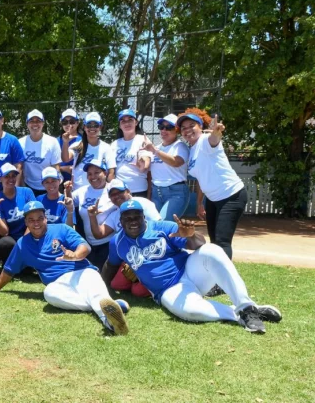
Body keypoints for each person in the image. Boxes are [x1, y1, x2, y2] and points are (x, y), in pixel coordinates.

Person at [107, 200, 282, 333]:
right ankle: (243, 314)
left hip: (191, 271)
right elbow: (111, 265)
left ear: (143, 216)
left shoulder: (162, 227)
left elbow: (199, 244)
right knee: (190, 312)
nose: (133, 221)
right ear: (121, 221)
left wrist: (191, 235)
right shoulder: (117, 242)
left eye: (136, 216)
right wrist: (104, 291)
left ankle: (245, 306)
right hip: (168, 290)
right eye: (127, 218)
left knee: (211, 250)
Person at [0, 201, 130, 336]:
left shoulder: (61, 229)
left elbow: (85, 247)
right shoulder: (22, 244)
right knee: (49, 294)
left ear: (45, 218)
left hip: (82, 272)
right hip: (57, 283)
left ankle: (110, 323)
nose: (36, 223)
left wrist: (75, 255)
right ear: (25, 222)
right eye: (31, 220)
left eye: (39, 218)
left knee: (93, 289)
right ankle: (111, 306)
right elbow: (8, 270)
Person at [179, 109, 247, 260]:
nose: (187, 130)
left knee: (222, 241)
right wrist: (199, 203)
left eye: (192, 125)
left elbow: (214, 139)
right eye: (183, 128)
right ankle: (214, 276)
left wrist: (216, 132)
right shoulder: (192, 150)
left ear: (201, 127)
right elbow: (200, 179)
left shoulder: (204, 141)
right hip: (212, 199)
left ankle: (223, 281)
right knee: (214, 241)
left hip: (231, 195)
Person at [142, 114, 190, 221]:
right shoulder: (157, 148)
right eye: (161, 127)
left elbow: (176, 162)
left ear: (177, 130)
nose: (164, 130)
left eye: (169, 127)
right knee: (151, 225)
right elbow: (150, 174)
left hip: (175, 192)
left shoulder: (180, 146)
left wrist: (154, 151)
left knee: (162, 224)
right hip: (156, 192)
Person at [70, 160, 117, 268]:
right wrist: (67, 190)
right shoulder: (82, 191)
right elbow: (68, 200)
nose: (93, 176)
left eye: (97, 172)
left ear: (105, 173)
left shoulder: (113, 190)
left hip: (108, 244)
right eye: (89, 174)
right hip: (89, 244)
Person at [61, 112, 116, 191]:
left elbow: (111, 173)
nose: (92, 128)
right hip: (78, 190)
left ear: (100, 127)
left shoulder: (106, 148)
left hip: (98, 191)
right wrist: (65, 142)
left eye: (95, 125)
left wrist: (108, 190)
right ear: (84, 127)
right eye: (89, 125)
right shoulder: (77, 146)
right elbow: (65, 159)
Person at [0, 163, 36, 266]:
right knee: (5, 242)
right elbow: (4, 232)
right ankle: (11, 264)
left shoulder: (27, 192)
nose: (11, 179)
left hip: (29, 235)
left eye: (13, 176)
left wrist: (24, 241)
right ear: (0, 179)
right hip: (11, 239)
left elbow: (34, 218)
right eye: (7, 176)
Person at [19, 109, 62, 197]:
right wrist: (21, 189)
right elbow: (20, 168)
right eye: (31, 121)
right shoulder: (21, 142)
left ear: (43, 123)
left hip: (49, 187)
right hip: (29, 186)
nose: (35, 124)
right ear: (27, 124)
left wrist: (54, 189)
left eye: (38, 121)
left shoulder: (52, 142)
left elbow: (56, 168)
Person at [110, 109, 152, 197]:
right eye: (123, 121)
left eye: (130, 120)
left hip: (139, 190)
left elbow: (146, 161)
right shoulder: (114, 144)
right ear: (120, 125)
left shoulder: (142, 140)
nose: (127, 123)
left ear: (136, 123)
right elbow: (111, 170)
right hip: (120, 191)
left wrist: (143, 164)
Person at [57, 109, 82, 185]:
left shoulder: (83, 141)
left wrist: (62, 168)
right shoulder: (55, 141)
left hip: (77, 182)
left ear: (77, 123)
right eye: (65, 122)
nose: (69, 124)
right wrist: (63, 169)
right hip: (58, 183)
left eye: (72, 121)